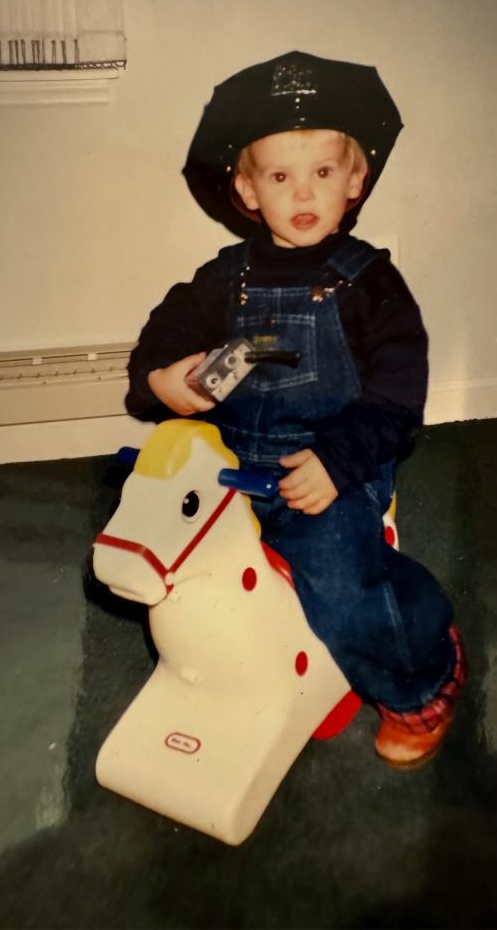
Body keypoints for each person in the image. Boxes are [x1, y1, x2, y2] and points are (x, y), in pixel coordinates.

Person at [126, 51, 466, 766]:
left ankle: (420, 677)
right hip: (227, 461)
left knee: (343, 580)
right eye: (280, 176)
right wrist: (161, 380)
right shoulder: (225, 278)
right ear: (248, 190)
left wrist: (340, 462)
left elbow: (399, 395)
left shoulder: (369, 282)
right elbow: (166, 332)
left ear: (356, 179)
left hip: (330, 462)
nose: (303, 191)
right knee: (153, 543)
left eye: (322, 172)